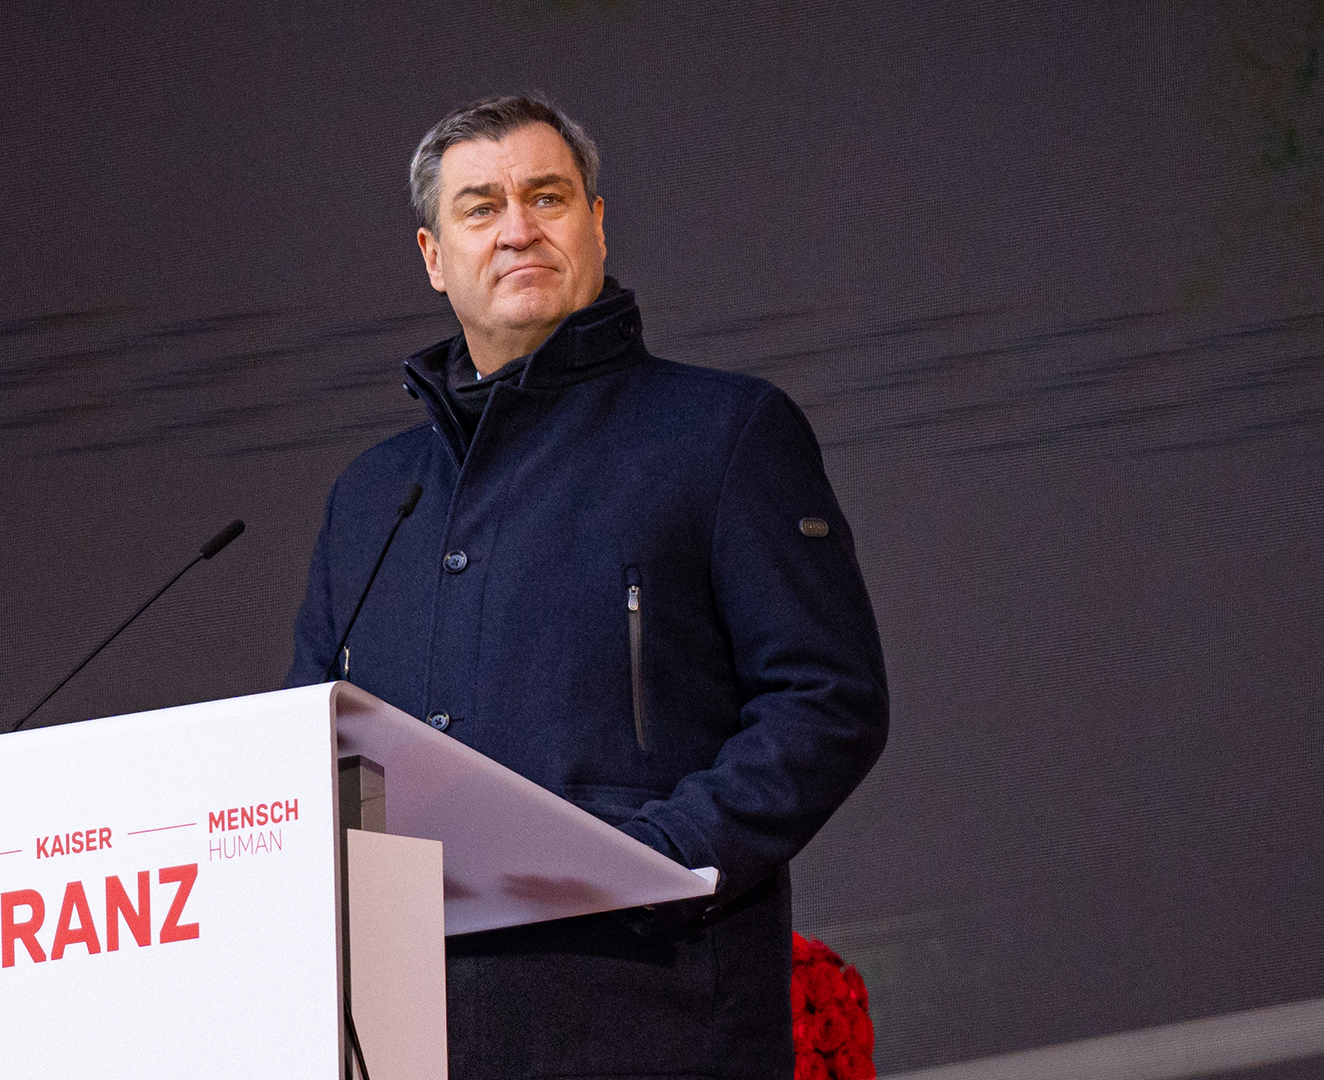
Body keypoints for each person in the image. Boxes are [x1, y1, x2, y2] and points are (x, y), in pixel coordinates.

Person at [286, 94, 888, 1080]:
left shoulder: (725, 433)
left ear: (596, 226)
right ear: (435, 258)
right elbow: (304, 750)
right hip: (402, 1038)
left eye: (547, 196)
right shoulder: (370, 496)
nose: (517, 226)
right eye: (480, 207)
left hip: (648, 1022)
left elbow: (828, 701)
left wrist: (648, 864)